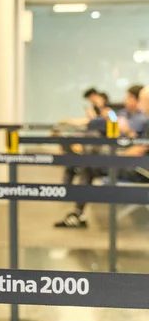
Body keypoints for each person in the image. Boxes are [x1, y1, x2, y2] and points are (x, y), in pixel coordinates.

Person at [54, 86, 149, 229]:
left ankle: (75, 207)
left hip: (140, 169)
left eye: (143, 101)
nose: (142, 105)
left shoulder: (143, 120)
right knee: (89, 163)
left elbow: (138, 150)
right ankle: (77, 212)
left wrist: (117, 154)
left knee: (90, 160)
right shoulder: (128, 115)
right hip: (132, 162)